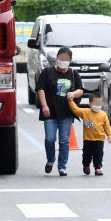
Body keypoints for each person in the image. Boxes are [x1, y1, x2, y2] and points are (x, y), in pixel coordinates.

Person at [36, 46, 83, 176]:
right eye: (61, 58)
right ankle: (51, 159)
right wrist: (44, 105)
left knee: (64, 140)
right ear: (57, 58)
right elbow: (40, 89)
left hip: (66, 112)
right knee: (50, 139)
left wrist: (73, 94)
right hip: (50, 112)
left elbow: (81, 90)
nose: (63, 61)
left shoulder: (73, 73)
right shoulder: (47, 72)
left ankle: (62, 166)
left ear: (70, 60)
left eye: (66, 59)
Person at [68, 92, 111, 176]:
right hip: (88, 139)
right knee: (86, 155)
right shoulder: (85, 112)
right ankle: (86, 165)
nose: (98, 105)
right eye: (96, 103)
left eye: (100, 103)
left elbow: (107, 126)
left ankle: (98, 168)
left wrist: (109, 135)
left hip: (99, 139)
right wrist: (70, 101)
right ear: (90, 104)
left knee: (98, 154)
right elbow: (76, 109)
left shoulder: (103, 115)